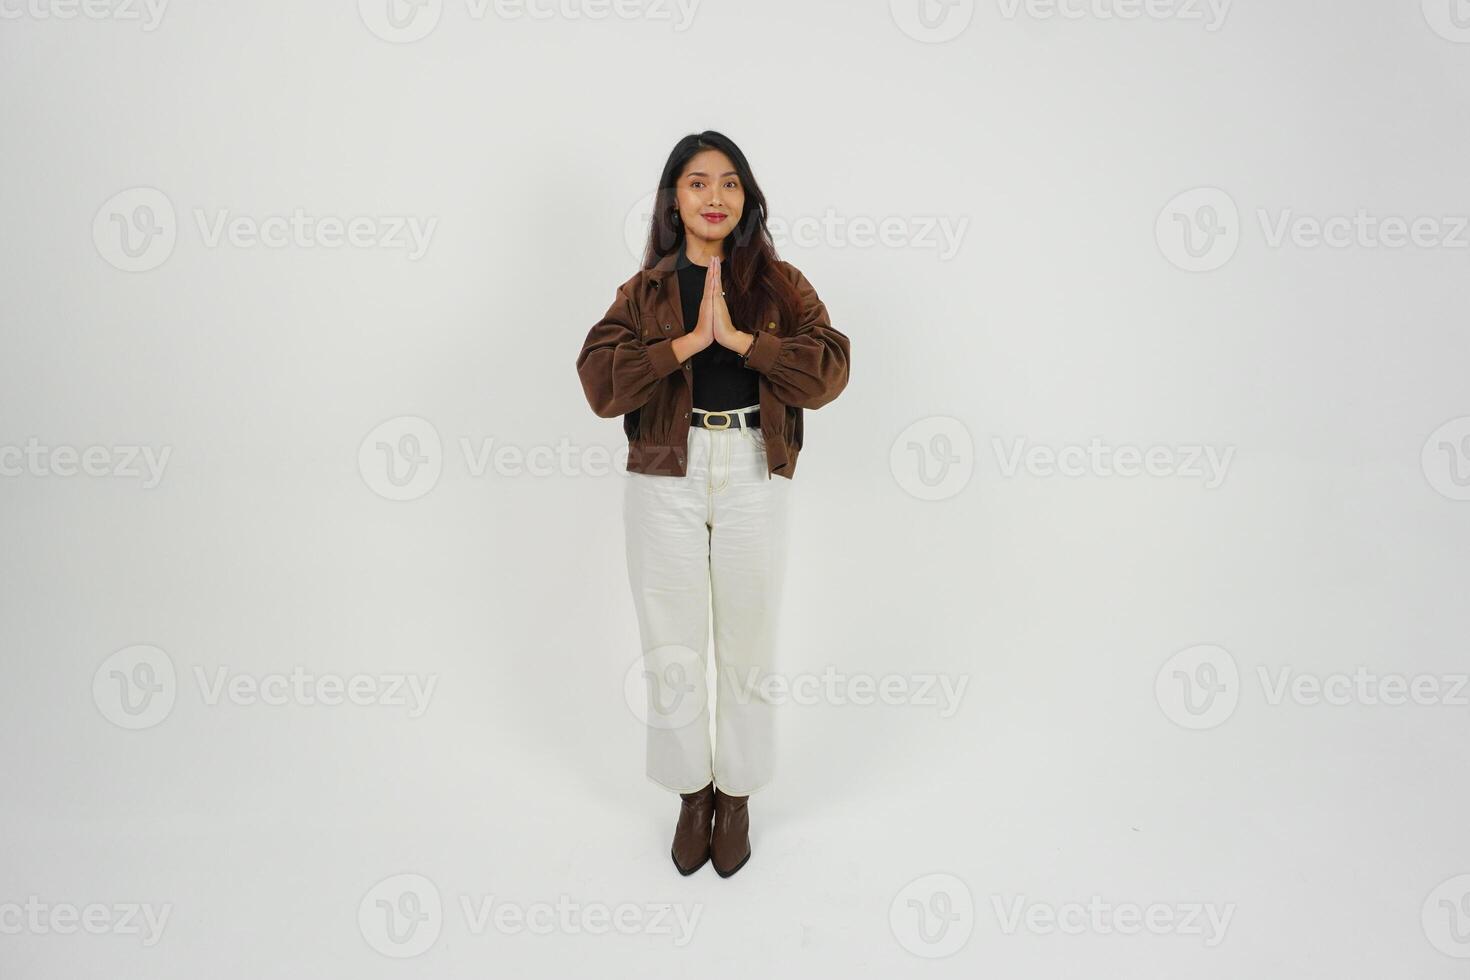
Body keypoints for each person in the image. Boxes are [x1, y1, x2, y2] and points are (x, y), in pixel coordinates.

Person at [576, 130, 851, 877]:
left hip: (755, 468)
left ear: (747, 198)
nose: (715, 197)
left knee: (749, 640)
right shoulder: (648, 291)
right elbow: (600, 382)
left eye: (730, 183)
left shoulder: (781, 284)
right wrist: (685, 346)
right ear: (675, 199)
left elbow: (829, 371)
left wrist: (745, 342)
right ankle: (692, 792)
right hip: (667, 471)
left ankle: (737, 795)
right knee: (670, 641)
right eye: (698, 183)